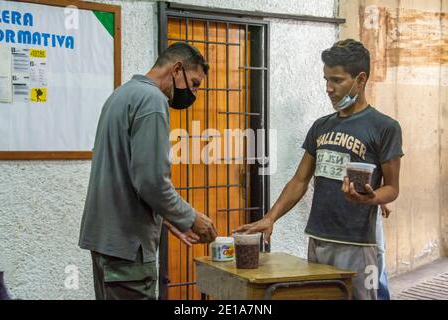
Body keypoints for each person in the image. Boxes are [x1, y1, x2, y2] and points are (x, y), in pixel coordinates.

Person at [234, 39, 403, 300]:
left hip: (358, 242)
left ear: (360, 79)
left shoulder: (384, 127)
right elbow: (300, 181)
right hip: (319, 237)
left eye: (337, 80)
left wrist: (372, 198)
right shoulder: (321, 126)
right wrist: (271, 217)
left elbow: (392, 188)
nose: (329, 88)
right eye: (326, 80)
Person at [79, 42, 217, 300]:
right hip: (128, 246)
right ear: (177, 69)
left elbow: (125, 173)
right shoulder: (153, 100)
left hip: (105, 242)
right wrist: (190, 217)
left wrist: (167, 218)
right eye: (195, 83)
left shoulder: (121, 95)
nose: (194, 94)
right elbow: (151, 182)